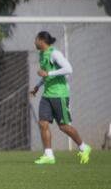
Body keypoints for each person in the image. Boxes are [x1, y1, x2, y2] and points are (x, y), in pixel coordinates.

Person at [30, 31, 92, 165]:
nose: (34, 42)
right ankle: (48, 155)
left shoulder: (54, 53)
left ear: (41, 40)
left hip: (60, 95)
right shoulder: (41, 55)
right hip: (47, 95)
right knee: (43, 123)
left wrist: (49, 73)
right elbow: (46, 75)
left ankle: (83, 147)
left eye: (36, 39)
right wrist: (37, 86)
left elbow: (69, 69)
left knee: (63, 126)